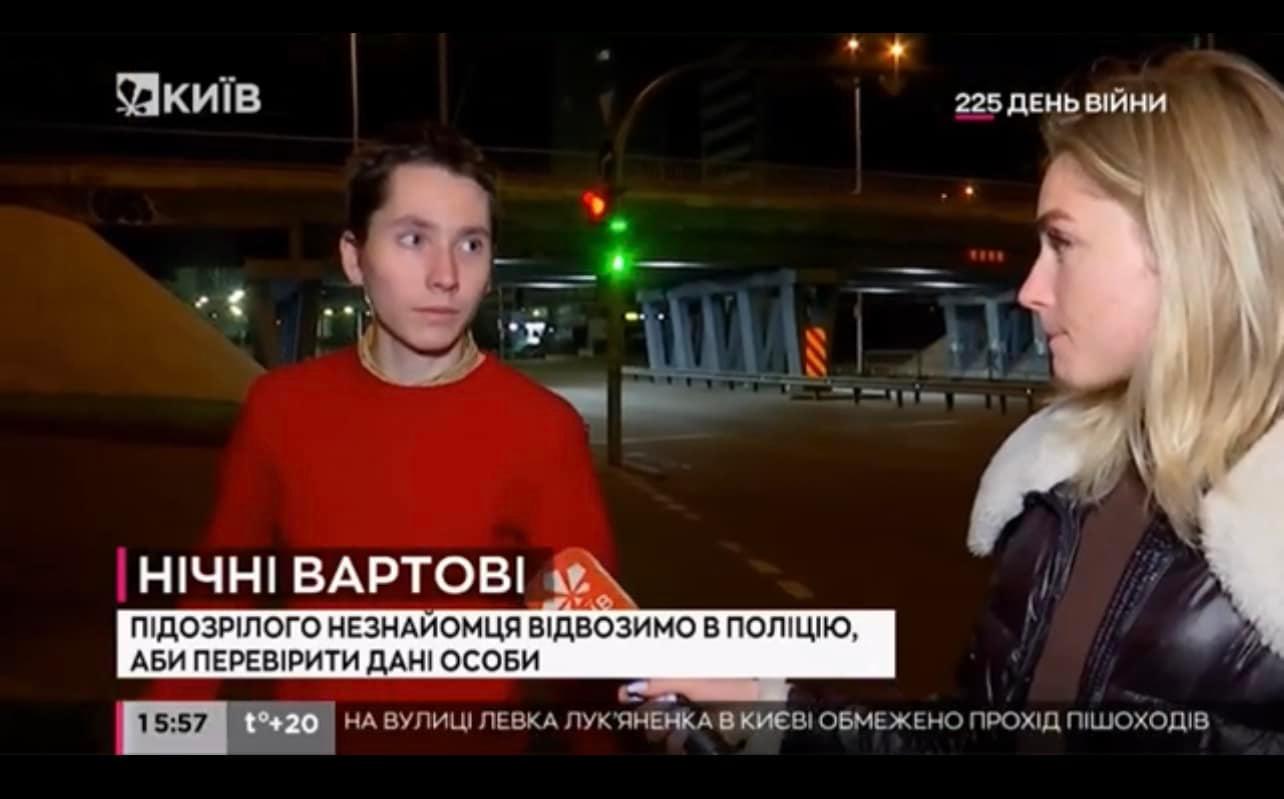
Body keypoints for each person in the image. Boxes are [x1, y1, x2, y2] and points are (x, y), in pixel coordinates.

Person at [622, 49, 1284, 754]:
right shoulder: (1066, 492)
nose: (1029, 290)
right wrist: (759, 714)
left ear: (1191, 245)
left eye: (1062, 242)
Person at [146, 125, 618, 748]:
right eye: (414, 238)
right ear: (354, 256)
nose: (446, 275)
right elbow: (216, 598)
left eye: (470, 244)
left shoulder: (543, 429)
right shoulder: (280, 410)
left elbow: (589, 660)